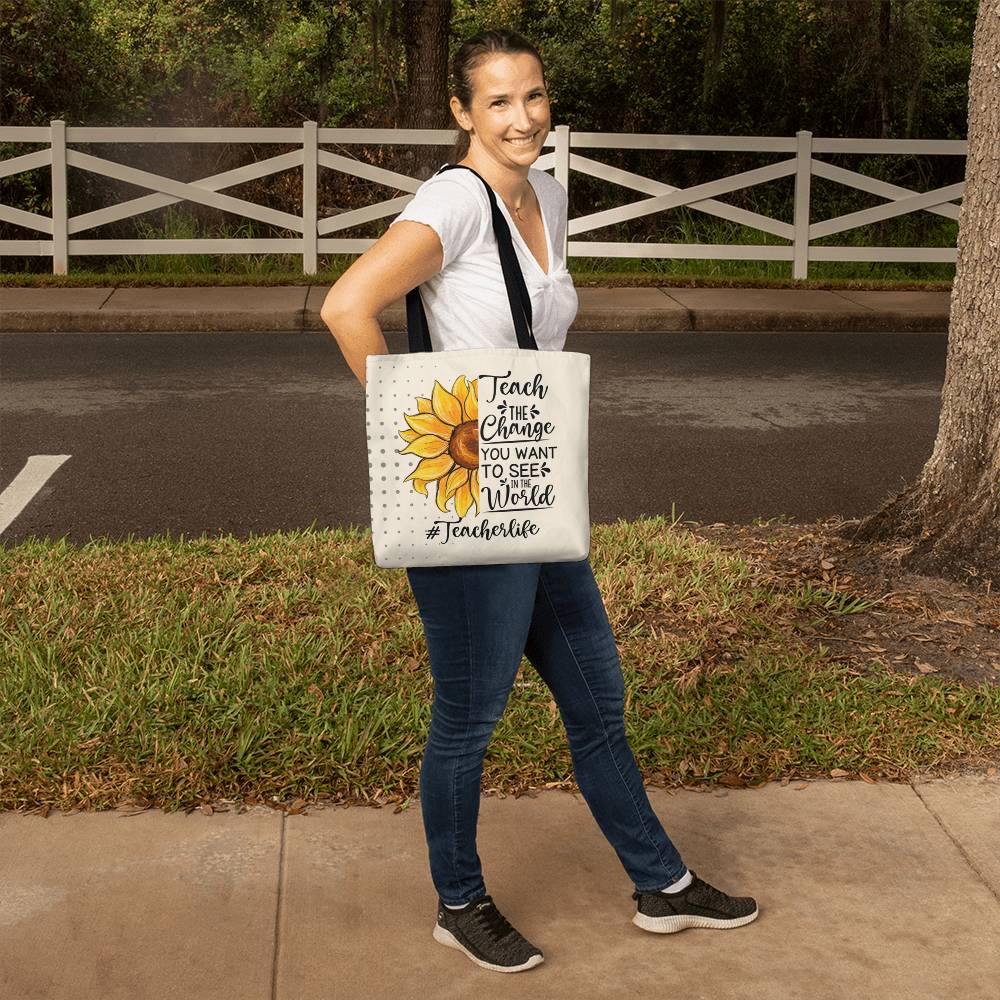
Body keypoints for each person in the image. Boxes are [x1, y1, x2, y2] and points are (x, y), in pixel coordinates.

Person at [320, 27, 759, 975]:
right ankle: (459, 901)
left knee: (598, 697)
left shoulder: (549, 197)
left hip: (535, 493)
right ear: (462, 113)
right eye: (500, 102)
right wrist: (414, 435)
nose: (523, 119)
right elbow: (346, 307)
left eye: (535, 97)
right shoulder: (454, 200)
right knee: (469, 718)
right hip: (469, 496)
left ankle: (662, 886)